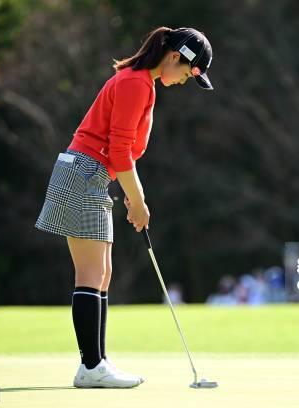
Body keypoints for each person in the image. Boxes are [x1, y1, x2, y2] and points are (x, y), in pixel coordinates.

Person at [34, 26, 214, 388]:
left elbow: (122, 154)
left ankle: (96, 363)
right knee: (90, 274)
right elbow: (118, 151)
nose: (182, 82)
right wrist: (140, 200)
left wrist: (133, 195)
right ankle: (91, 367)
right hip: (84, 174)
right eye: (187, 75)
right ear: (175, 57)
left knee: (102, 274)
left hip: (94, 177)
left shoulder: (141, 84)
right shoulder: (135, 83)